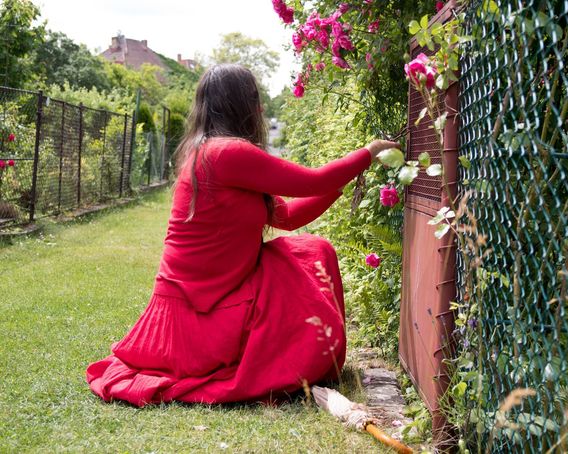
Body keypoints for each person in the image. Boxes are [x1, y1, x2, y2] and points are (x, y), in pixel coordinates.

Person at [86, 63, 398, 407]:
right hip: (198, 312)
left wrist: (344, 178)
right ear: (243, 105)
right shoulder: (225, 153)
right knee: (302, 260)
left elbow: (289, 217)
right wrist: (368, 154)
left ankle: (300, 353)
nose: (261, 108)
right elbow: (312, 181)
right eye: (256, 98)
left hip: (215, 295)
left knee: (311, 249)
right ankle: (300, 356)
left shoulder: (214, 154)